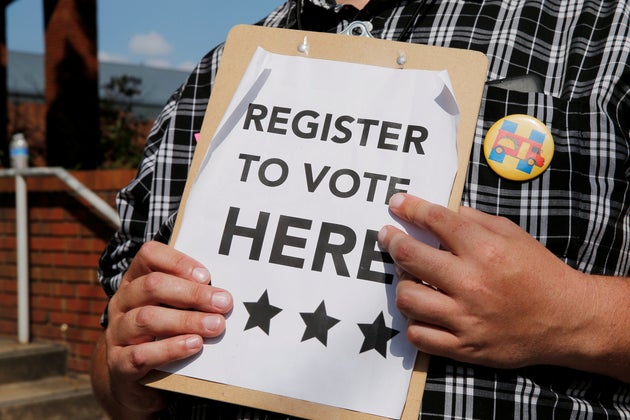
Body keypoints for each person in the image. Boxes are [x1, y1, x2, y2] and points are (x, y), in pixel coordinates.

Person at [91, 0, 630, 418]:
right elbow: (114, 362)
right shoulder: (219, 73)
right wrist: (124, 372)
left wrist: (574, 315)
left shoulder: (606, 30)